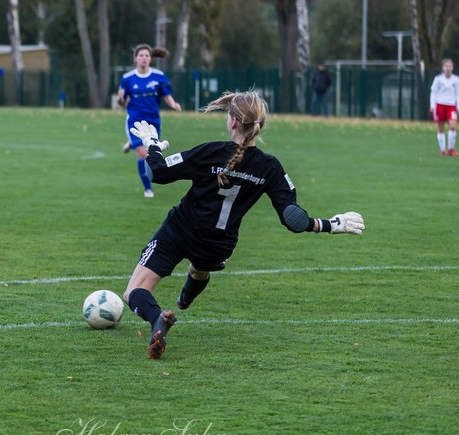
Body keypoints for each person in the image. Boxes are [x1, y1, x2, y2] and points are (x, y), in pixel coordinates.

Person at [123, 90, 364, 360]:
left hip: (180, 230)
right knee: (200, 268)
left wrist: (152, 143)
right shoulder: (269, 166)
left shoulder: (211, 152)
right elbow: (293, 219)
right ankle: (184, 300)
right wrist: (331, 224)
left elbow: (158, 173)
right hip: (218, 244)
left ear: (234, 122)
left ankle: (157, 318)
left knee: (134, 292)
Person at [117, 44, 181, 197]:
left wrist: (173, 104)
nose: (143, 58)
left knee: (149, 152)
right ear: (135, 59)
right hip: (134, 120)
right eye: (141, 56)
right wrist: (120, 100)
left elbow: (166, 95)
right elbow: (121, 98)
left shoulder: (159, 76)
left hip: (153, 121)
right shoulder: (127, 78)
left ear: (151, 58)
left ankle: (131, 144)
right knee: (143, 153)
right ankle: (148, 189)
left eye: (146, 56)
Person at [428, 57, 458, 157]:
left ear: (452, 68)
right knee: (441, 128)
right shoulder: (438, 79)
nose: (448, 68)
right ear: (442, 68)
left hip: (451, 106)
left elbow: (458, 93)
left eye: (450, 66)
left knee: (453, 126)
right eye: (446, 66)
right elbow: (433, 92)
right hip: (440, 105)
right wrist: (432, 105)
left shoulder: (456, 80)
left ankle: (451, 149)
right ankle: (442, 150)